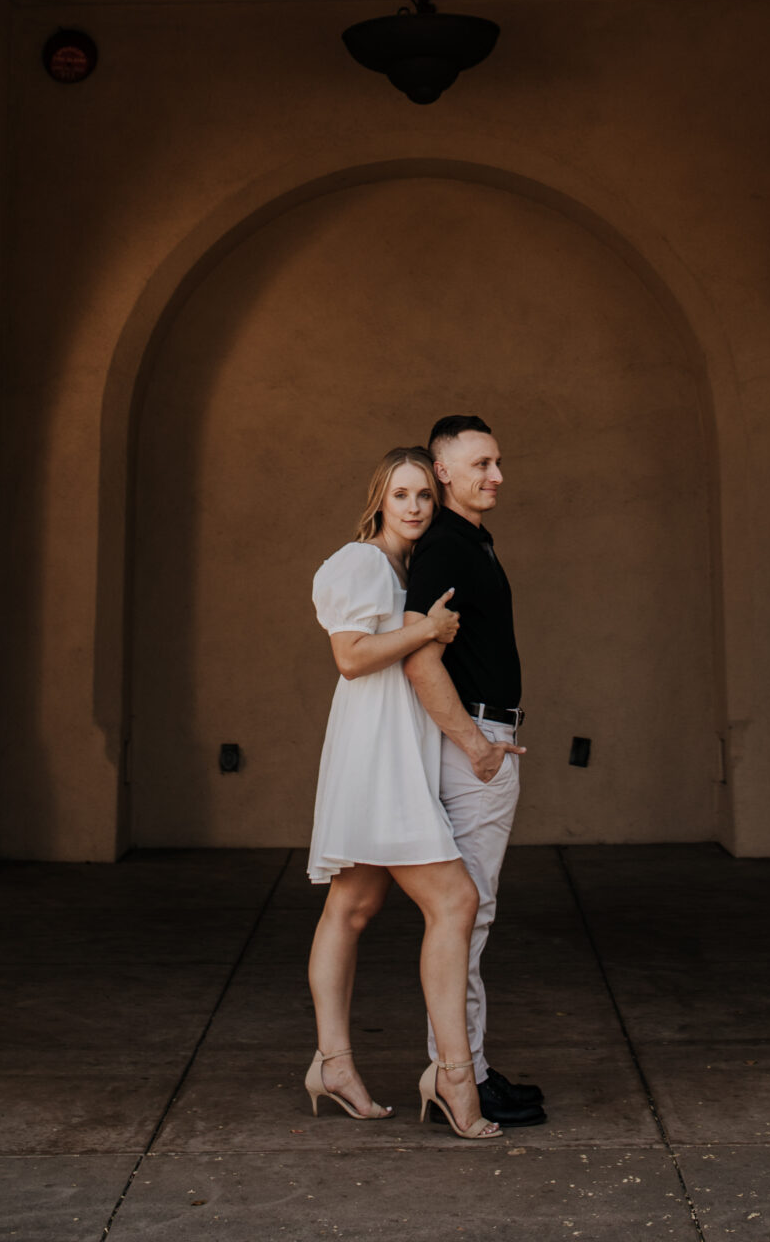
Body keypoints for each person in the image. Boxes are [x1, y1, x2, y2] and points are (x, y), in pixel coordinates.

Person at [307, 447, 502, 1140]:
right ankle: (453, 1076)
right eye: (402, 495)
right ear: (379, 501)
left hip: (397, 749)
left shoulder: (404, 569)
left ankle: (333, 1065)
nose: (416, 507)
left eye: (424, 495)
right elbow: (350, 658)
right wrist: (424, 628)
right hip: (376, 755)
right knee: (454, 899)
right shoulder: (360, 563)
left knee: (353, 905)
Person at [404, 416, 545, 1129]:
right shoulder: (443, 550)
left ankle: (466, 1067)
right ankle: (460, 1076)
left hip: (483, 736)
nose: (495, 475)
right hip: (473, 743)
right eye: (481, 463)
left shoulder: (469, 542)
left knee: (468, 912)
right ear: (443, 471)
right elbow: (418, 652)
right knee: (466, 911)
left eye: (497, 461)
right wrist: (473, 743)